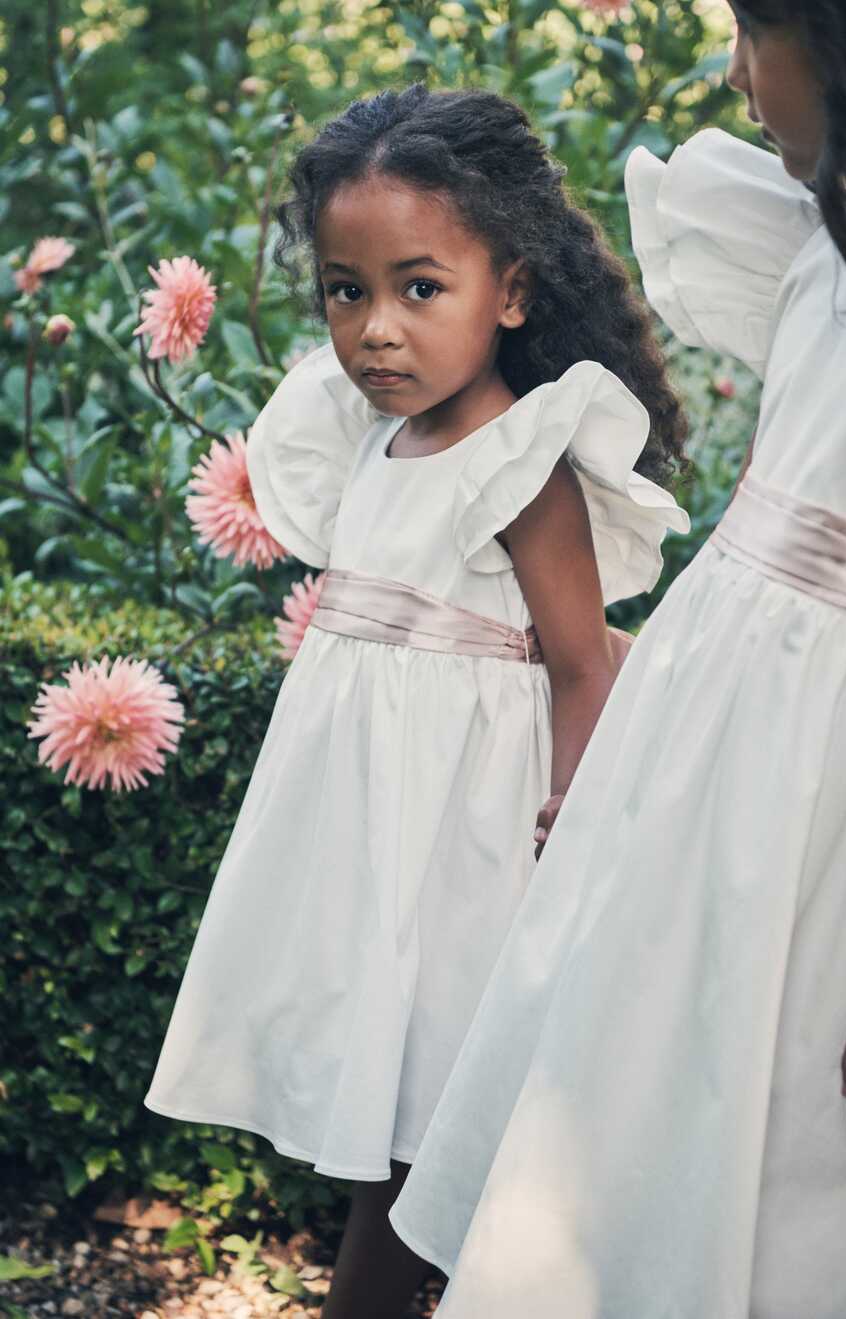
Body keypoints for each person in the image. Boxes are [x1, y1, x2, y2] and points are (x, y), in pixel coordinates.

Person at [389, 6, 846, 1316]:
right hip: (707, 803)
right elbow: (753, 564)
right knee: (622, 1118)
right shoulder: (839, 238)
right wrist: (639, 778)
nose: (737, 71)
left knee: (797, 1176)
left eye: (759, 30)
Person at [144, 84, 689, 1319]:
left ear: (511, 289)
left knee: (426, 1127)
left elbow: (581, 660)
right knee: (386, 1103)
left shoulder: (520, 454)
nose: (376, 328)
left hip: (470, 842)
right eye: (349, 289)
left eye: (418, 287)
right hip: (373, 836)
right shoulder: (368, 442)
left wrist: (571, 824)